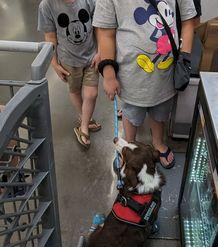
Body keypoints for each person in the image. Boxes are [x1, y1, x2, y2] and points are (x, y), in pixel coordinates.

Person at [93, 0, 197, 168]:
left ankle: (158, 142)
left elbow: (188, 21)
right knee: (131, 114)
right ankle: (129, 145)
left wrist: (184, 59)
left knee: (160, 113)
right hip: (130, 78)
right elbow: (106, 34)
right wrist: (109, 74)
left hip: (166, 75)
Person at [38, 0, 101, 149]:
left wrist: (100, 51)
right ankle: (84, 117)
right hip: (68, 60)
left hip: (91, 57)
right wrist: (54, 63)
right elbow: (50, 37)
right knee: (74, 91)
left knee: (91, 94)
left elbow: (98, 26)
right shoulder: (47, 5)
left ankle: (83, 126)